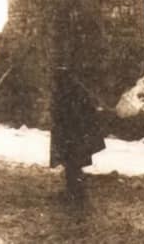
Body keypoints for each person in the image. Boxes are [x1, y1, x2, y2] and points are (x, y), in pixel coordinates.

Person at [50, 66, 106, 208]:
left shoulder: (71, 90)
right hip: (73, 134)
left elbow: (71, 113)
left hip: (73, 134)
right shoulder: (75, 89)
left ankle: (75, 193)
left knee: (72, 164)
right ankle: (75, 191)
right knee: (73, 164)